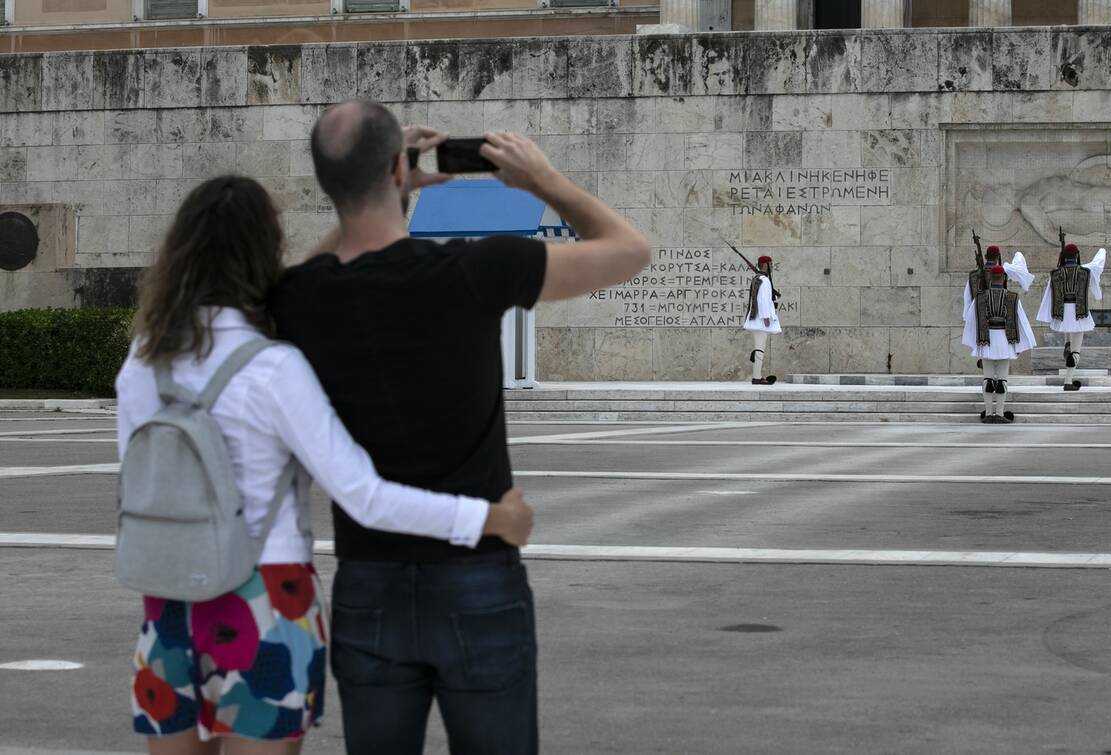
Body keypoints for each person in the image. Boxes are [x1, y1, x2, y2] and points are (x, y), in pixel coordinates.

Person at [270, 102, 650, 753]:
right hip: (478, 572)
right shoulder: (476, 269)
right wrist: (542, 180)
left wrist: (374, 189)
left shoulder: (300, 296)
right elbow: (629, 250)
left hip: (368, 579)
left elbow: (309, 271)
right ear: (399, 168)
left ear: (329, 184)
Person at [115, 175, 534, 755]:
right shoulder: (272, 368)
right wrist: (488, 518)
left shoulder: (142, 363)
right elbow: (363, 496)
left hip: (167, 599)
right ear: (264, 253)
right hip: (265, 598)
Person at [960, 245, 1036, 424]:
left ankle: (988, 414)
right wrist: (1020, 345)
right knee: (1002, 380)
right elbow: (1021, 321)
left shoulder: (980, 297)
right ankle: (1000, 413)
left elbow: (971, 319)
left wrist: (974, 342)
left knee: (987, 379)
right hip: (1004, 340)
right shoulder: (1012, 297)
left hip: (985, 339)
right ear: (1003, 278)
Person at [1036, 239, 1107, 391]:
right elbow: (1098, 269)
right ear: (1077, 256)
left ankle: (1067, 344)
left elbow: (1049, 295)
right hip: (1079, 312)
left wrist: (1047, 315)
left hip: (1061, 312)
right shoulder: (1085, 272)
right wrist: (1098, 295)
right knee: (1076, 350)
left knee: (1067, 330)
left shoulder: (1055, 273)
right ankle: (1068, 380)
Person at [743, 255, 781, 385]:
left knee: (759, 347)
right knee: (760, 348)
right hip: (761, 320)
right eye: (770, 264)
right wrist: (766, 317)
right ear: (765, 265)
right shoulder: (764, 280)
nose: (772, 267)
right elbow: (763, 300)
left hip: (756, 319)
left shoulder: (758, 278)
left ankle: (757, 375)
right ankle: (757, 377)